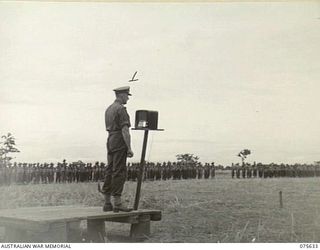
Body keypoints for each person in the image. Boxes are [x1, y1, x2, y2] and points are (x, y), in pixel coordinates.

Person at [102, 86, 134, 212]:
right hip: (119, 140)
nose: (127, 98)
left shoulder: (109, 109)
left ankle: (107, 203)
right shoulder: (121, 109)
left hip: (110, 140)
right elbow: (125, 130)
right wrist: (129, 147)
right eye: (127, 96)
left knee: (109, 170)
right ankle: (118, 203)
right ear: (121, 95)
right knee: (119, 171)